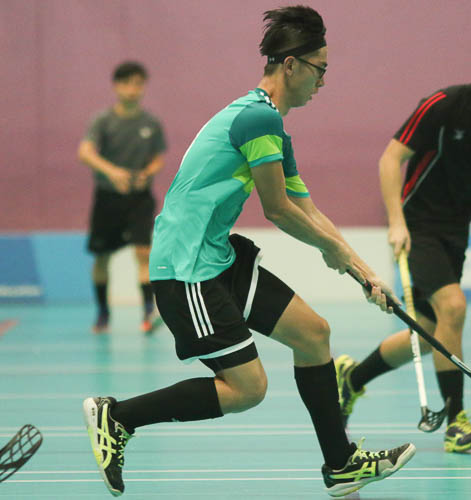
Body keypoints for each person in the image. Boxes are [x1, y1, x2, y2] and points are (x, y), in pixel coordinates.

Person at [82, 6, 414, 498]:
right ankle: (119, 417)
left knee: (314, 334)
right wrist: (335, 254)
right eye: (320, 68)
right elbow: (278, 210)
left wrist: (364, 272)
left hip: (219, 256)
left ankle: (341, 465)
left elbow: (307, 207)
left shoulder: (272, 126)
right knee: (248, 389)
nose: (324, 80)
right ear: (291, 65)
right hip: (187, 269)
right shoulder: (256, 118)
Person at [335, 20, 471, 453]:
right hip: (418, 224)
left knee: (430, 331)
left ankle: (351, 378)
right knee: (454, 307)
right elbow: (391, 158)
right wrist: (396, 220)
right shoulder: (443, 106)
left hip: (455, 232)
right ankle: (456, 422)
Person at [78, 61, 167, 334]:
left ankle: (148, 313)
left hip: (139, 198)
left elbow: (158, 157)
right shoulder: (103, 121)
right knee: (103, 257)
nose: (133, 89)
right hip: (108, 198)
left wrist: (147, 172)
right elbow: (85, 152)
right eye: (127, 83)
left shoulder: (151, 123)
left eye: (138, 84)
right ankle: (103, 313)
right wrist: (112, 172)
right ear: (116, 86)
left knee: (143, 252)